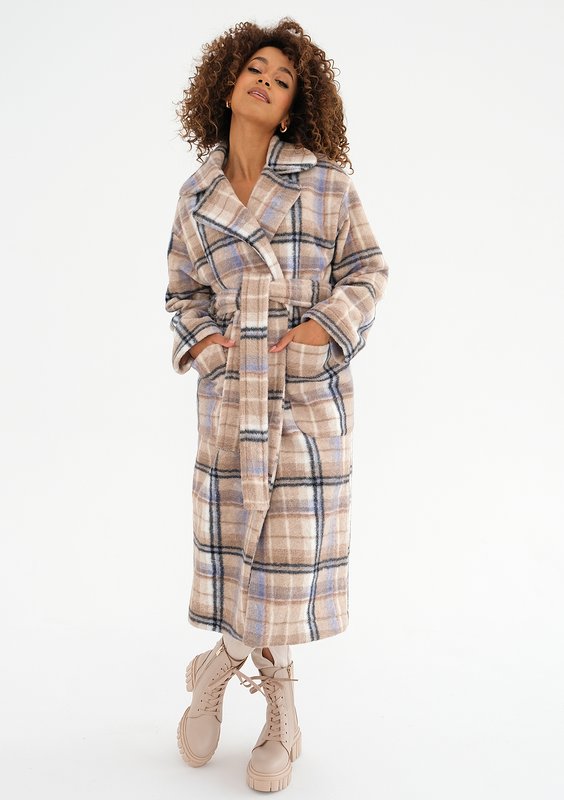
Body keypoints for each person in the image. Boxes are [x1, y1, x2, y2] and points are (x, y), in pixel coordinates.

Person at [165, 17, 389, 793]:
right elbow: (183, 294)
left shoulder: (326, 184)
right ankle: (268, 703)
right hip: (235, 403)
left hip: (304, 401)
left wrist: (323, 329)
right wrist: (210, 348)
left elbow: (367, 270)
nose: (264, 81)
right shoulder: (196, 198)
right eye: (254, 69)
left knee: (283, 570)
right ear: (227, 86)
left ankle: (235, 678)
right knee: (243, 557)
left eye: (282, 78)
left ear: (294, 106)